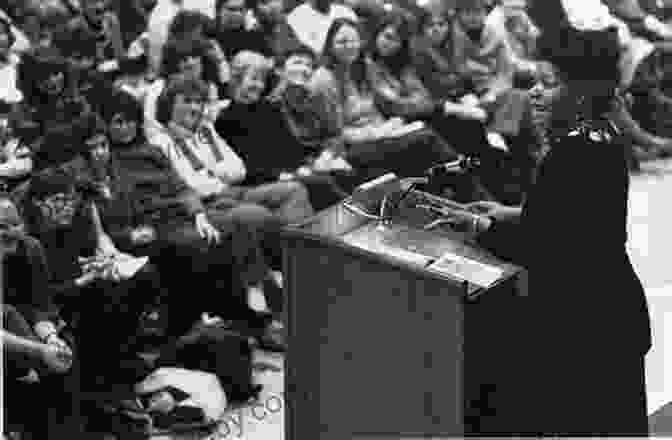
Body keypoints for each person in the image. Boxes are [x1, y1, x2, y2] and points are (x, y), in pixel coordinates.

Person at [452, 3, 651, 435]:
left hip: (586, 327)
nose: (536, 94)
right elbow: (575, 220)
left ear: (580, 93)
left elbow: (545, 247)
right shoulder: (604, 135)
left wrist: (479, 228)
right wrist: (512, 213)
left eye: (548, 84)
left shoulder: (571, 151)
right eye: (534, 83)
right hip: (612, 311)